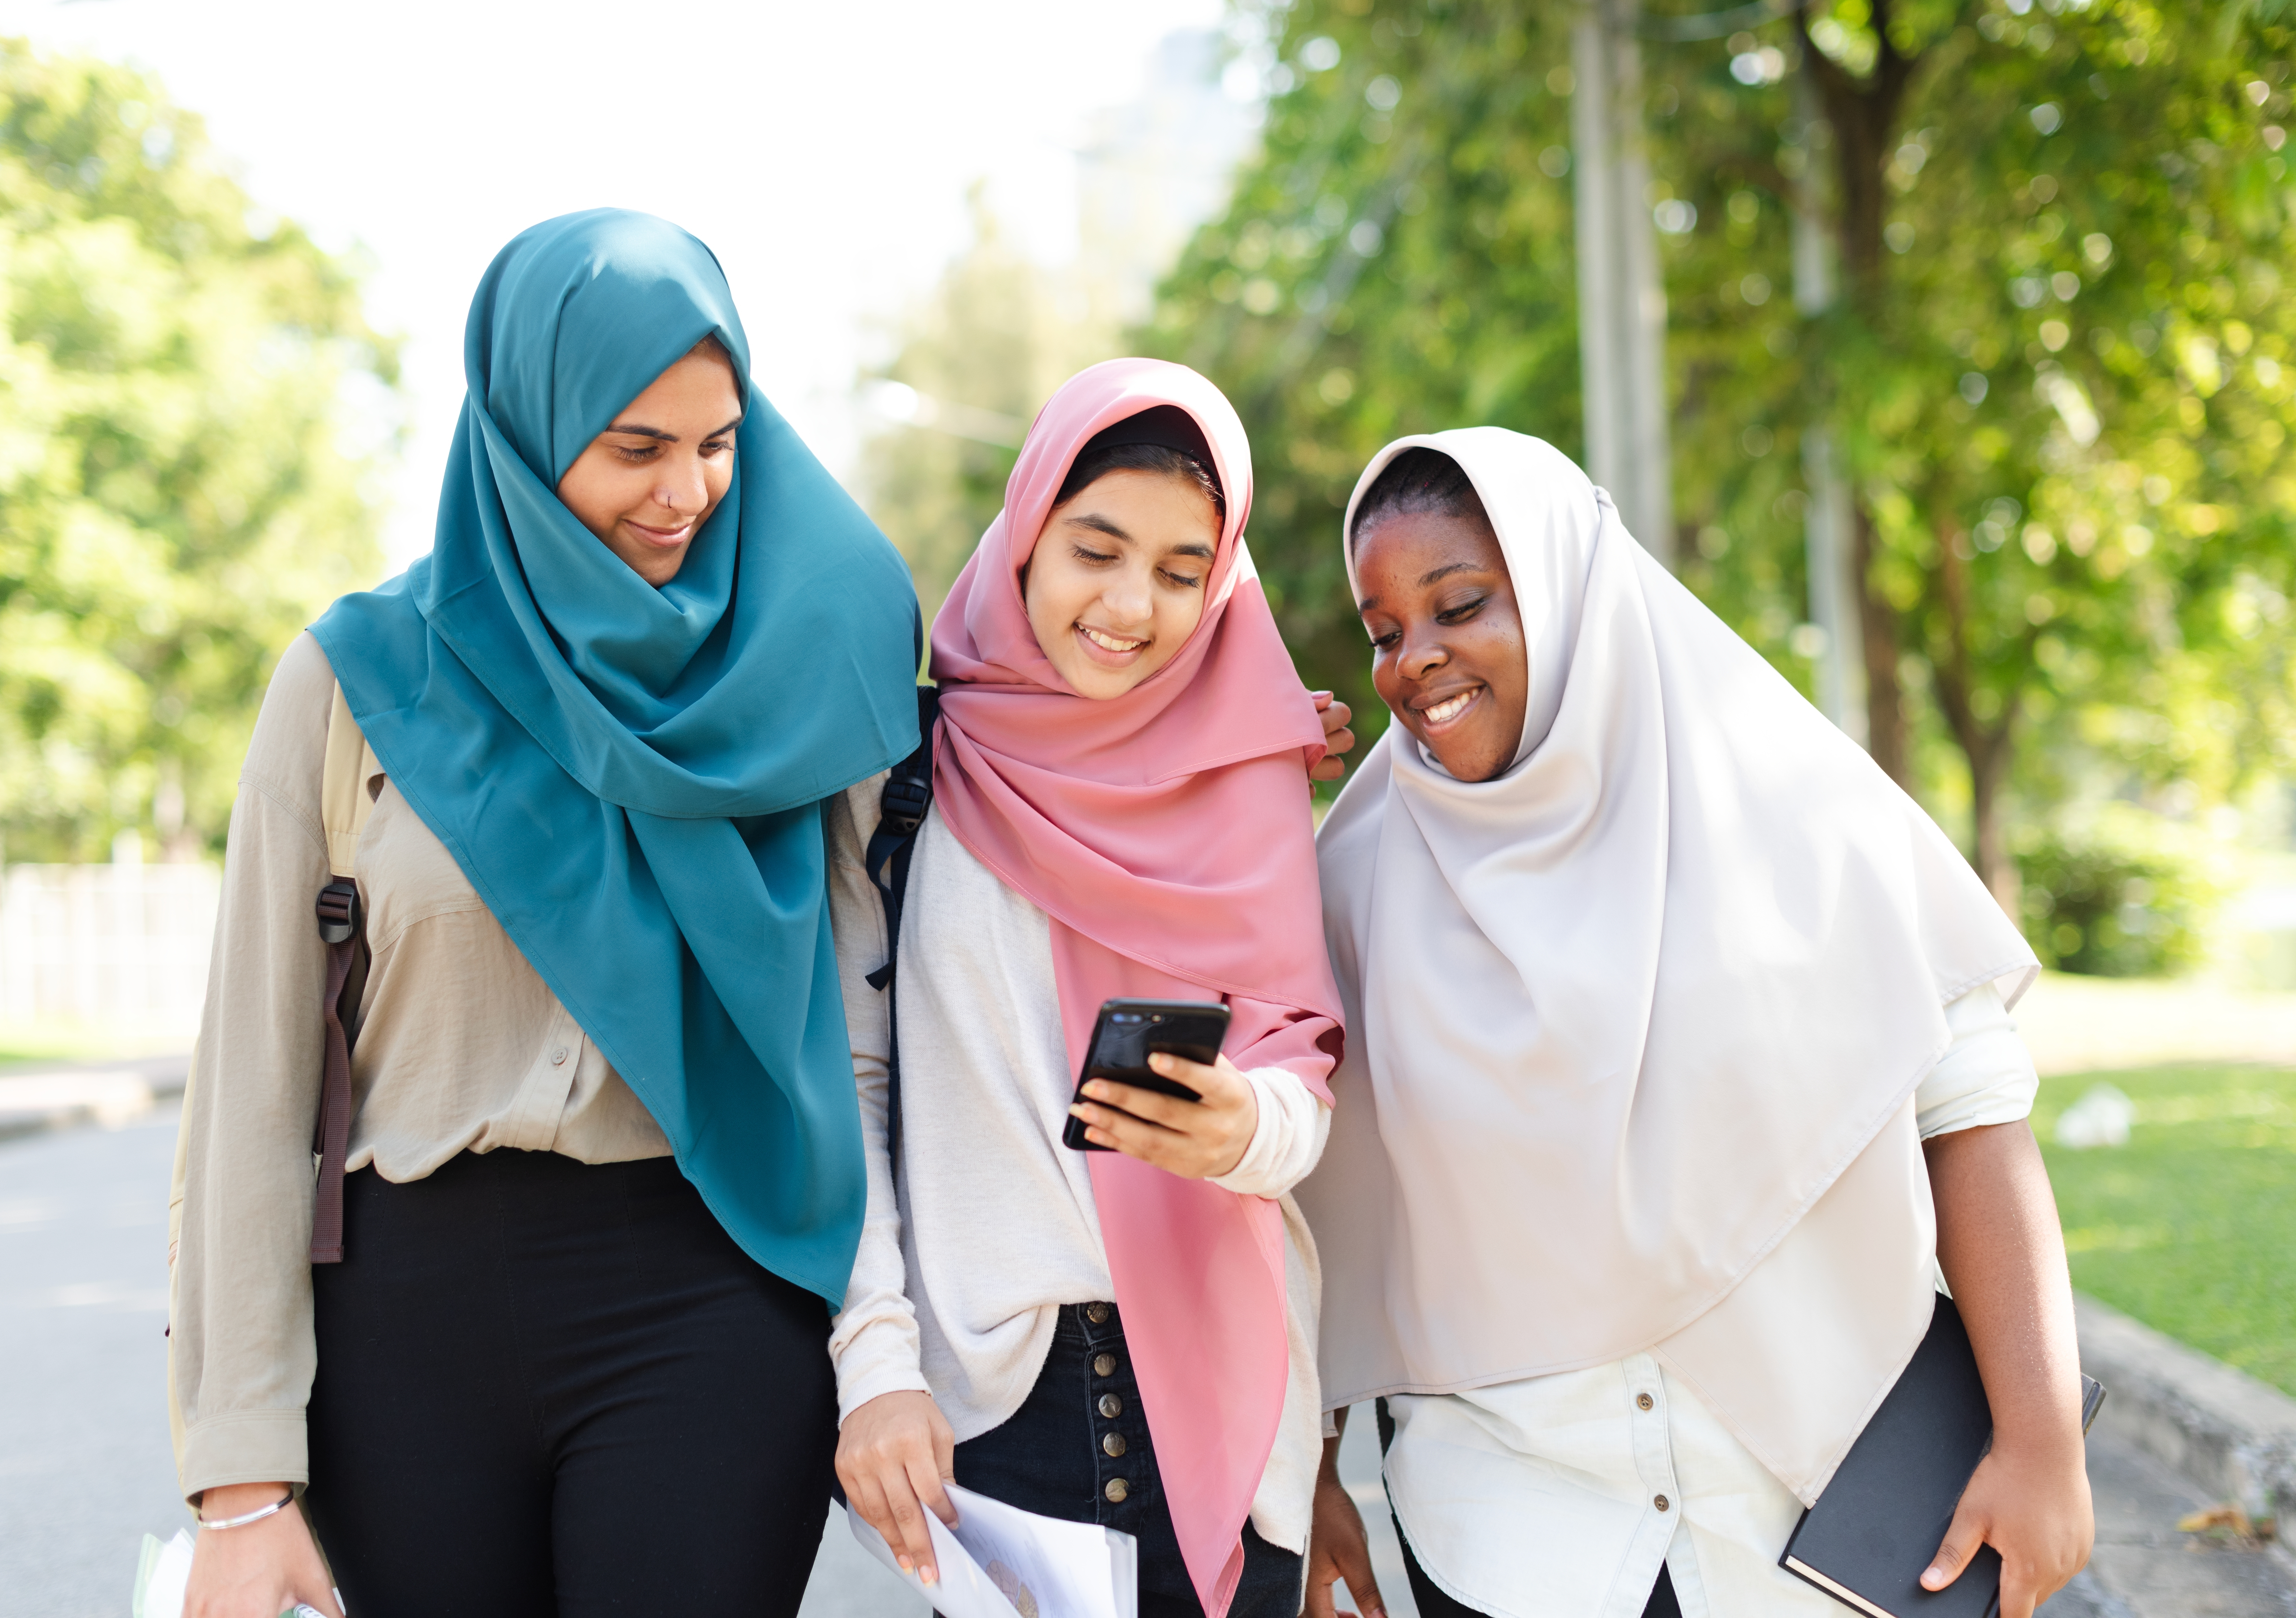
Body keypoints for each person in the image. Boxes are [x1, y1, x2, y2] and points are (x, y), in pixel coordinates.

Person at [167, 210, 923, 1618]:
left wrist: (1237, 747)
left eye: (717, 442)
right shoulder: (353, 681)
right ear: (522, 429)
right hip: (409, 1327)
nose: (686, 491)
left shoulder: (789, 683)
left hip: (709, 1287)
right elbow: (252, 1098)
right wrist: (242, 1478)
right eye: (635, 447)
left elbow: (1007, 789)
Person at [1297, 430, 2094, 1618]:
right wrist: (1305, 1478)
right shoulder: (1355, 883)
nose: (1417, 661)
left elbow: (1973, 1115)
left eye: (1459, 604)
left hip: (1820, 1523)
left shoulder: (1806, 813)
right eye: (1383, 632)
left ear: (1575, 596)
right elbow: (1326, 1208)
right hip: (1510, 1534)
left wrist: (2043, 1446)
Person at [827, 359, 1347, 1618]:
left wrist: (1242, 1130)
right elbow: (852, 1084)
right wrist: (873, 1363)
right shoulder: (907, 777)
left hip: (1227, 1397)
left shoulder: (1252, 778)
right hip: (988, 1405)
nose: (1130, 606)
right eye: (1095, 551)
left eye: (1182, 572)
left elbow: (1304, 1082)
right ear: (1024, 539)